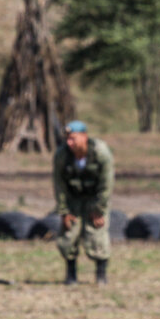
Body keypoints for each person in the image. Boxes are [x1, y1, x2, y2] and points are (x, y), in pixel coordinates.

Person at [53, 120, 114, 285]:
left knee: (97, 236)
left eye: (73, 138)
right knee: (67, 237)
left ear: (84, 137)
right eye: (67, 139)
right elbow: (59, 185)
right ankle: (71, 275)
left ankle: (101, 276)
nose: (69, 143)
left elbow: (106, 184)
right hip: (74, 199)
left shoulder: (100, 152)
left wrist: (99, 209)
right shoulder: (62, 155)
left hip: (95, 199)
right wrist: (64, 211)